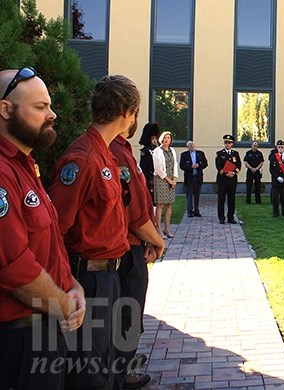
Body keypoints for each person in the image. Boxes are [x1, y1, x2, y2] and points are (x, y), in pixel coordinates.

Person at [49, 74, 139, 389]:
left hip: (110, 276)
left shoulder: (104, 153)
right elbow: (53, 229)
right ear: (127, 112)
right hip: (88, 278)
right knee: (89, 372)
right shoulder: (83, 157)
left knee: (110, 364)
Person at [0, 67, 85, 390]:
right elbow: (14, 268)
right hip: (19, 338)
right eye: (39, 107)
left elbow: (46, 247)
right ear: (6, 110)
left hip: (44, 325)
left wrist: (72, 284)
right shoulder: (3, 172)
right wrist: (65, 303)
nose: (52, 115)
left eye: (49, 106)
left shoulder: (25, 166)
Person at [109, 111, 166, 389]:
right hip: (126, 248)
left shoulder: (122, 149)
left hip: (131, 245)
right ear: (127, 115)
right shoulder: (115, 151)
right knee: (128, 314)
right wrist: (157, 240)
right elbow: (133, 211)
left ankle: (123, 362)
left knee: (129, 311)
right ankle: (122, 370)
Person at [152, 131, 178, 238]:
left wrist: (175, 179)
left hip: (172, 179)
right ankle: (158, 228)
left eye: (169, 138)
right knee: (160, 204)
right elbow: (158, 168)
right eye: (165, 138)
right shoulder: (157, 151)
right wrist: (168, 180)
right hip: (161, 179)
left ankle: (167, 228)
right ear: (161, 139)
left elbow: (175, 164)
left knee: (169, 204)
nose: (167, 140)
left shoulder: (172, 150)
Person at [215, 134, 242, 224]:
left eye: (229, 143)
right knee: (221, 199)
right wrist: (226, 173)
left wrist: (233, 173)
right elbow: (218, 166)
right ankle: (221, 218)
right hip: (223, 180)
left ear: (232, 144)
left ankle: (231, 217)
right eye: (226, 142)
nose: (227, 144)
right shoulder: (220, 154)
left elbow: (239, 166)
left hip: (232, 180)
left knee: (231, 199)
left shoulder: (235, 154)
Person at [180, 140, 208, 217]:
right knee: (189, 195)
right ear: (187, 147)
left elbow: (205, 163)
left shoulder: (200, 153)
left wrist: (199, 165)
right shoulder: (184, 155)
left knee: (197, 195)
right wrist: (190, 167)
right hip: (189, 178)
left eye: (193, 145)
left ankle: (196, 210)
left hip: (198, 177)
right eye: (190, 146)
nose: (192, 147)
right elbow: (182, 166)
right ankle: (189, 211)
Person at [269, 140, 284, 217]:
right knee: (275, 198)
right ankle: (275, 213)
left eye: (282, 147)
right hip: (276, 181)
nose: (280, 148)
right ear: (277, 147)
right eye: (279, 147)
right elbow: (271, 169)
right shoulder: (273, 157)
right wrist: (277, 177)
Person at [138, 122, 159, 204]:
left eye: (156, 138)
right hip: (149, 177)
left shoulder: (158, 150)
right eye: (153, 138)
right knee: (151, 201)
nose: (155, 140)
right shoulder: (146, 151)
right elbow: (143, 167)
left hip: (157, 177)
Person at [243, 140, 264, 204]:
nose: (255, 146)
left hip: (257, 172)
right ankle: (248, 201)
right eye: (254, 145)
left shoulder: (259, 153)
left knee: (257, 186)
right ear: (251, 145)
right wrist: (251, 168)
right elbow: (245, 162)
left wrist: (257, 168)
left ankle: (258, 201)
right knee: (249, 186)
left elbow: (261, 162)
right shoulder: (248, 153)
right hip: (250, 171)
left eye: (256, 145)